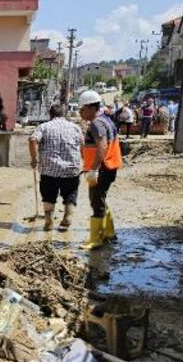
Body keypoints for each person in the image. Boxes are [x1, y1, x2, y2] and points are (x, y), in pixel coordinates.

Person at [29, 104, 83, 231]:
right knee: (70, 194)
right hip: (72, 169)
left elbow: (33, 140)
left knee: (48, 195)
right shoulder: (75, 127)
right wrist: (82, 160)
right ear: (63, 114)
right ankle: (68, 217)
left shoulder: (44, 127)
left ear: (51, 114)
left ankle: (49, 221)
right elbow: (83, 143)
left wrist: (34, 159)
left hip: (49, 169)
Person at [78, 90, 122, 249]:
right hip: (110, 166)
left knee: (96, 201)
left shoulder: (97, 123)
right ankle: (109, 233)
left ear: (90, 107)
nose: (80, 112)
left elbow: (102, 145)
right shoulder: (106, 120)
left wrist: (94, 169)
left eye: (82, 109)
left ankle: (96, 240)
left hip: (102, 167)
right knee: (101, 198)